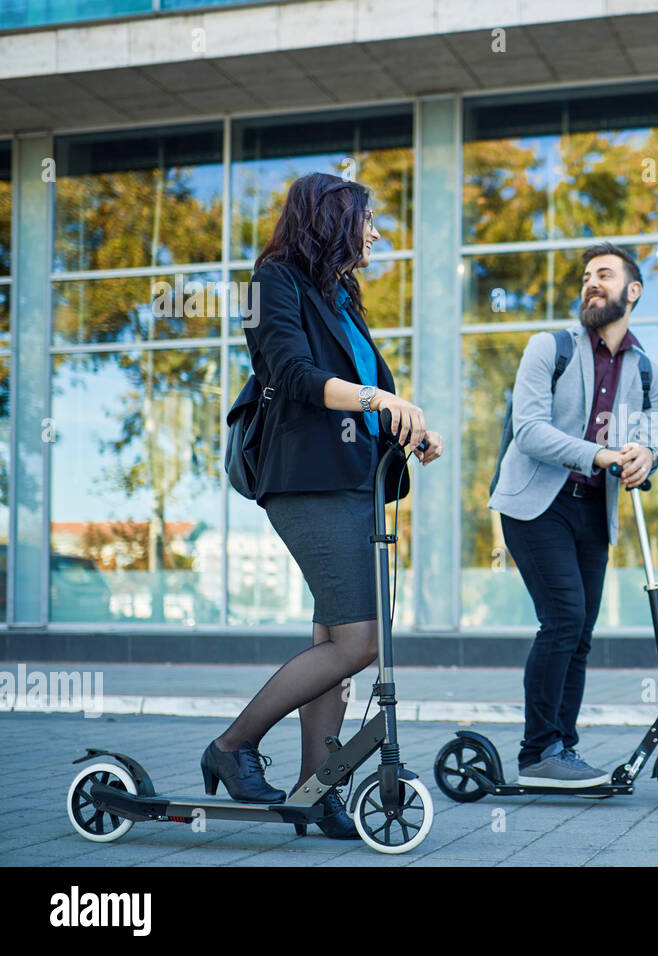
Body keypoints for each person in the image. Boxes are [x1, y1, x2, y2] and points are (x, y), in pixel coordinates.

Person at [203, 172, 444, 838]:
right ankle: (232, 746)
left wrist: (408, 429)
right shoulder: (268, 282)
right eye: (367, 220)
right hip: (305, 482)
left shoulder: (339, 295)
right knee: (359, 643)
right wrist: (380, 401)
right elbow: (292, 373)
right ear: (333, 218)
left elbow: (363, 389)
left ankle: (317, 788)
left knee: (331, 639)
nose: (374, 233)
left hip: (353, 479)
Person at [489, 241, 658, 787]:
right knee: (562, 618)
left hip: (594, 512)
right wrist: (604, 454)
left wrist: (645, 456)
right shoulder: (550, 347)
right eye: (587, 275)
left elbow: (651, 439)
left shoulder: (646, 370)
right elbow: (530, 431)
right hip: (537, 506)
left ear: (632, 292)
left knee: (579, 632)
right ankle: (538, 752)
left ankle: (559, 747)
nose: (592, 282)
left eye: (605, 275)